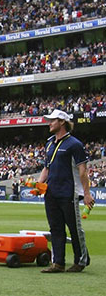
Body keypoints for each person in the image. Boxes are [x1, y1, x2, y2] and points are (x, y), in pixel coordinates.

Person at [36, 110, 94, 273]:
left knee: (74, 227)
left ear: (62, 122)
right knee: (55, 228)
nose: (49, 123)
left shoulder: (74, 144)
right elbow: (46, 168)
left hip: (69, 193)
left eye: (52, 120)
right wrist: (38, 185)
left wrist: (87, 193)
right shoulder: (49, 143)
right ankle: (58, 263)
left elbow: (83, 171)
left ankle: (81, 260)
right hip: (51, 193)